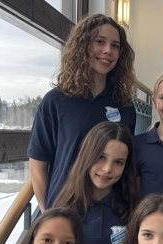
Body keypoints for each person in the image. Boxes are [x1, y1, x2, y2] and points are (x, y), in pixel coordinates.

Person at [28, 14, 137, 209]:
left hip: (110, 212)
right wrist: (48, 214)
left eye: (115, 46)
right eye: (100, 42)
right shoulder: (55, 101)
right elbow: (38, 166)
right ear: (83, 46)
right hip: (65, 210)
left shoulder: (125, 105)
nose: (107, 51)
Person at [53, 121, 140, 244]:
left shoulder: (134, 210)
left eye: (118, 162)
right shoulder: (63, 210)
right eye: (101, 157)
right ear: (87, 155)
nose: (107, 169)